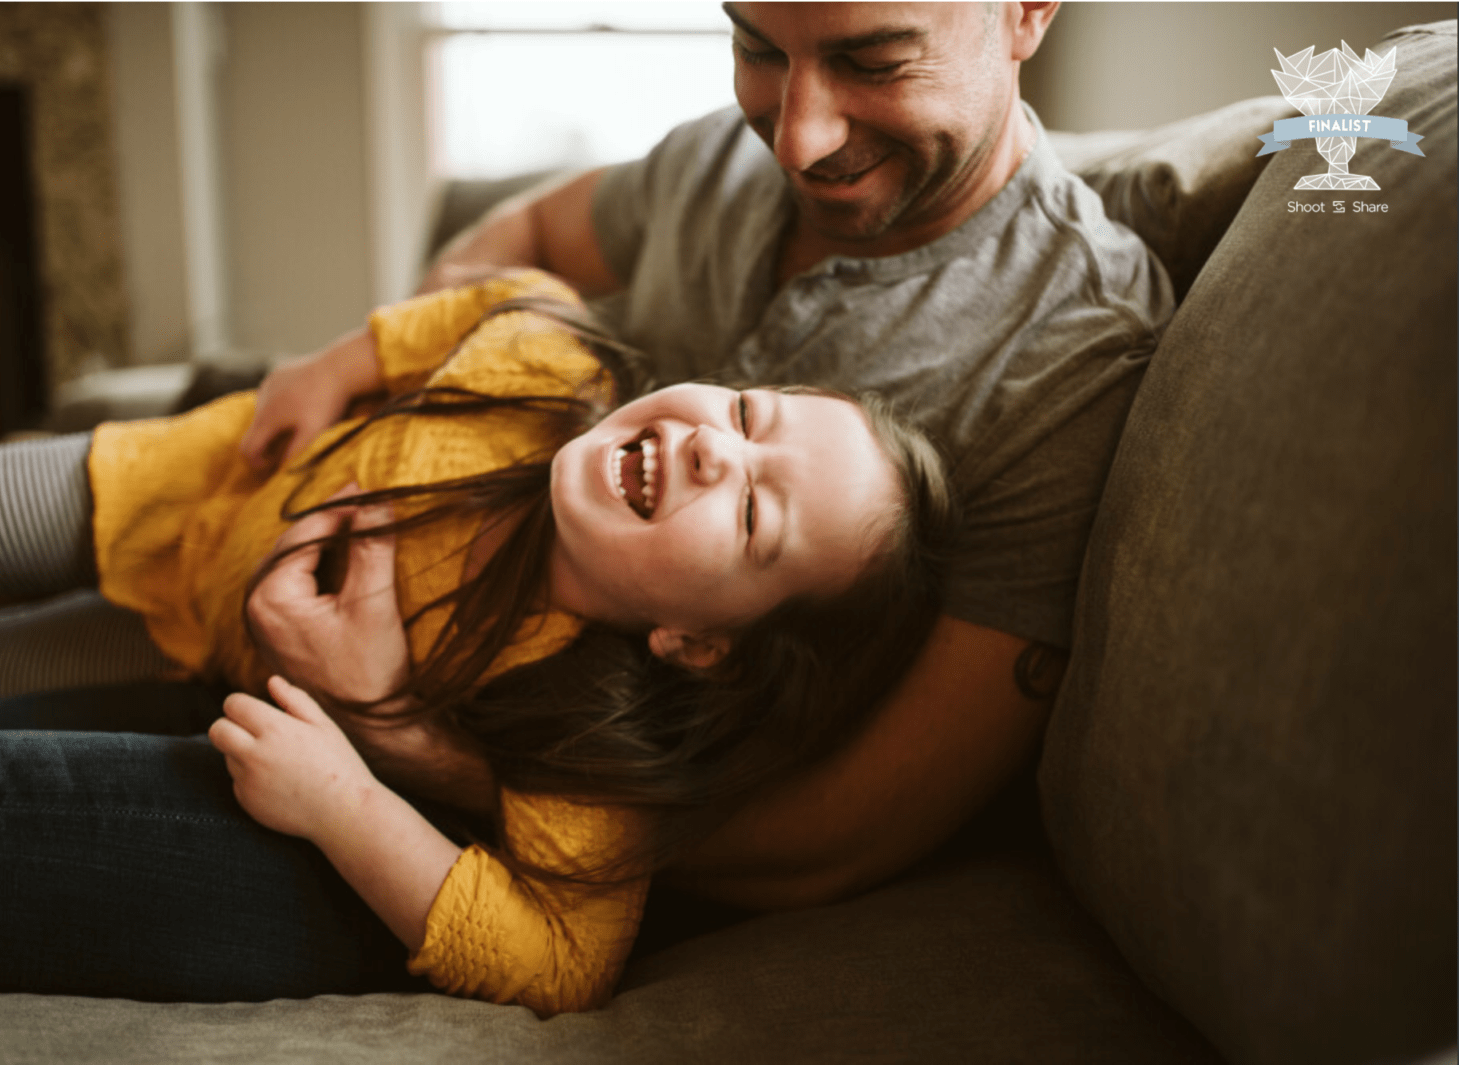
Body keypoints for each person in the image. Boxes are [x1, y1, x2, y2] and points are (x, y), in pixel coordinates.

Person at [234, 2, 1177, 908]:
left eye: (875, 61)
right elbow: (521, 238)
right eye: (758, 47)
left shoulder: (1076, 347)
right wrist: (394, 394)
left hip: (483, 827)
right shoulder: (720, 158)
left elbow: (838, 838)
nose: (798, 141)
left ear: (1027, 11)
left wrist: (407, 736)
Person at [0, 271, 956, 1015]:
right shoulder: (549, 375)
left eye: (757, 519)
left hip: (185, 650)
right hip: (183, 479)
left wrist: (347, 802)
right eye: (749, 414)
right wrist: (335, 366)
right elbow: (514, 296)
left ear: (703, 642)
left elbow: (566, 961)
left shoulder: (583, 733)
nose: (720, 451)